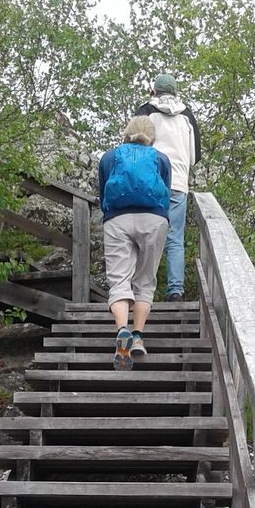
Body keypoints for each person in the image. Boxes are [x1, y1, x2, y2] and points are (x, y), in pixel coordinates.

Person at [98, 116, 171, 370]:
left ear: (126, 134)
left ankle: (122, 330)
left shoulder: (109, 157)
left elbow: (102, 195)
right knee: (145, 281)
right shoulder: (161, 159)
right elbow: (166, 195)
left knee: (119, 280)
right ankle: (138, 337)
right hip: (154, 220)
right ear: (152, 137)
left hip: (117, 220)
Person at [134, 74, 201, 301]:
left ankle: (141, 292)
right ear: (175, 92)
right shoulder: (187, 116)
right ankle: (175, 292)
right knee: (175, 238)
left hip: (150, 181)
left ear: (154, 91)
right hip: (178, 183)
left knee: (145, 236)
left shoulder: (146, 111)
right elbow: (194, 157)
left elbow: (133, 147)